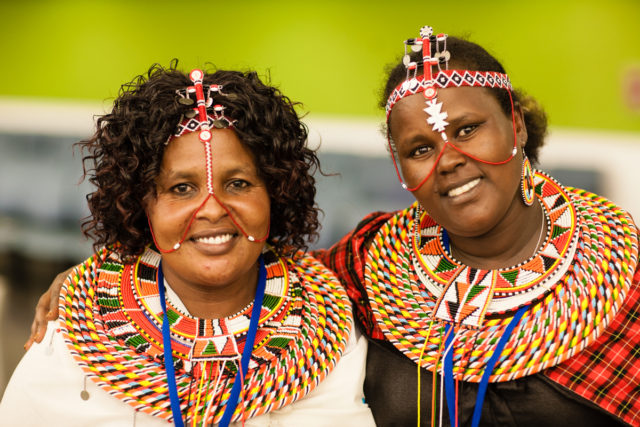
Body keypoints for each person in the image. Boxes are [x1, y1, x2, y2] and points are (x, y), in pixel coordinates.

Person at [26, 26, 640, 426]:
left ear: (516, 126)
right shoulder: (374, 264)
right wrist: (93, 279)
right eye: (420, 148)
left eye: (468, 129)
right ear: (400, 166)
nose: (450, 159)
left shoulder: (621, 272)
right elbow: (242, 266)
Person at [1, 62, 375, 426]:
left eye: (238, 184)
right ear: (141, 204)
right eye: (182, 188)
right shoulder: (72, 337)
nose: (212, 209)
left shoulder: (334, 333)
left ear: (275, 193)